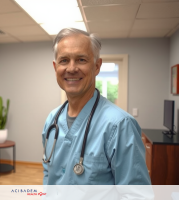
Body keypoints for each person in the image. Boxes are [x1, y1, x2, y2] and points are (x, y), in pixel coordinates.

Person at [42, 28, 151, 185]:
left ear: (97, 66)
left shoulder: (119, 125)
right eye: (64, 60)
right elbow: (48, 171)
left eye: (81, 60)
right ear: (55, 68)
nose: (71, 68)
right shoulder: (52, 120)